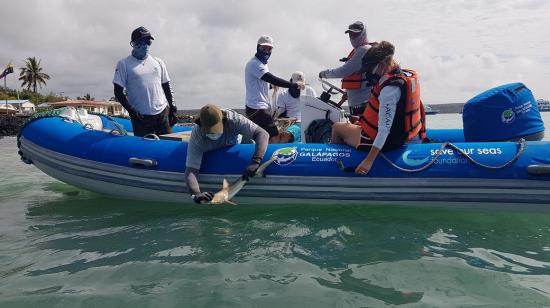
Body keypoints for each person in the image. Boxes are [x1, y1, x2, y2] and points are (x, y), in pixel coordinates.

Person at [331, 41, 427, 175]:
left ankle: (333, 168)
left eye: (369, 70)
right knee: (354, 123)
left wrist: (368, 160)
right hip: (405, 135)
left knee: (337, 127)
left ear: (382, 65)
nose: (368, 74)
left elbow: (383, 131)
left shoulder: (389, 90)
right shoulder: (403, 76)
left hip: (387, 141)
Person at [185, 104, 269, 204]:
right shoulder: (197, 135)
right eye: (209, 131)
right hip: (209, 147)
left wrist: (256, 160)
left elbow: (262, 133)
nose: (213, 134)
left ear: (223, 120)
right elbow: (191, 171)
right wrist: (196, 194)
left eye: (215, 130)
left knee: (250, 140)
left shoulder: (234, 119)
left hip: (237, 141)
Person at [113, 26, 178, 137]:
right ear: (134, 44)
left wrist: (173, 108)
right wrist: (132, 111)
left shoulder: (158, 62)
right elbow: (118, 92)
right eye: (141, 42)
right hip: (140, 118)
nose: (145, 45)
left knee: (167, 145)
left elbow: (167, 86)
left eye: (148, 42)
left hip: (162, 114)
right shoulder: (124, 64)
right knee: (144, 151)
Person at [245, 35, 305, 143]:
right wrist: (294, 85)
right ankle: (273, 159)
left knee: (265, 136)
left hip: (257, 108)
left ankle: (260, 155)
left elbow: (258, 82)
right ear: (257, 47)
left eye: (269, 49)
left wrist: (270, 86)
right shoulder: (255, 64)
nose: (266, 51)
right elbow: (272, 78)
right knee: (275, 137)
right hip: (257, 109)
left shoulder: (262, 64)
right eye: (264, 48)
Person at [319, 21, 372, 115]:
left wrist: (324, 74)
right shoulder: (359, 49)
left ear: (363, 34)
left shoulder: (363, 50)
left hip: (363, 104)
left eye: (355, 34)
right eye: (350, 34)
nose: (352, 37)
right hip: (358, 103)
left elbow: (344, 71)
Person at [272, 71, 316, 143]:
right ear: (290, 82)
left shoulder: (310, 91)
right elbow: (280, 114)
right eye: (296, 85)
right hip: (289, 123)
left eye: (301, 85)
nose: (298, 87)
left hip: (307, 123)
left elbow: (315, 109)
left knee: (286, 135)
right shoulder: (283, 95)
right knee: (276, 135)